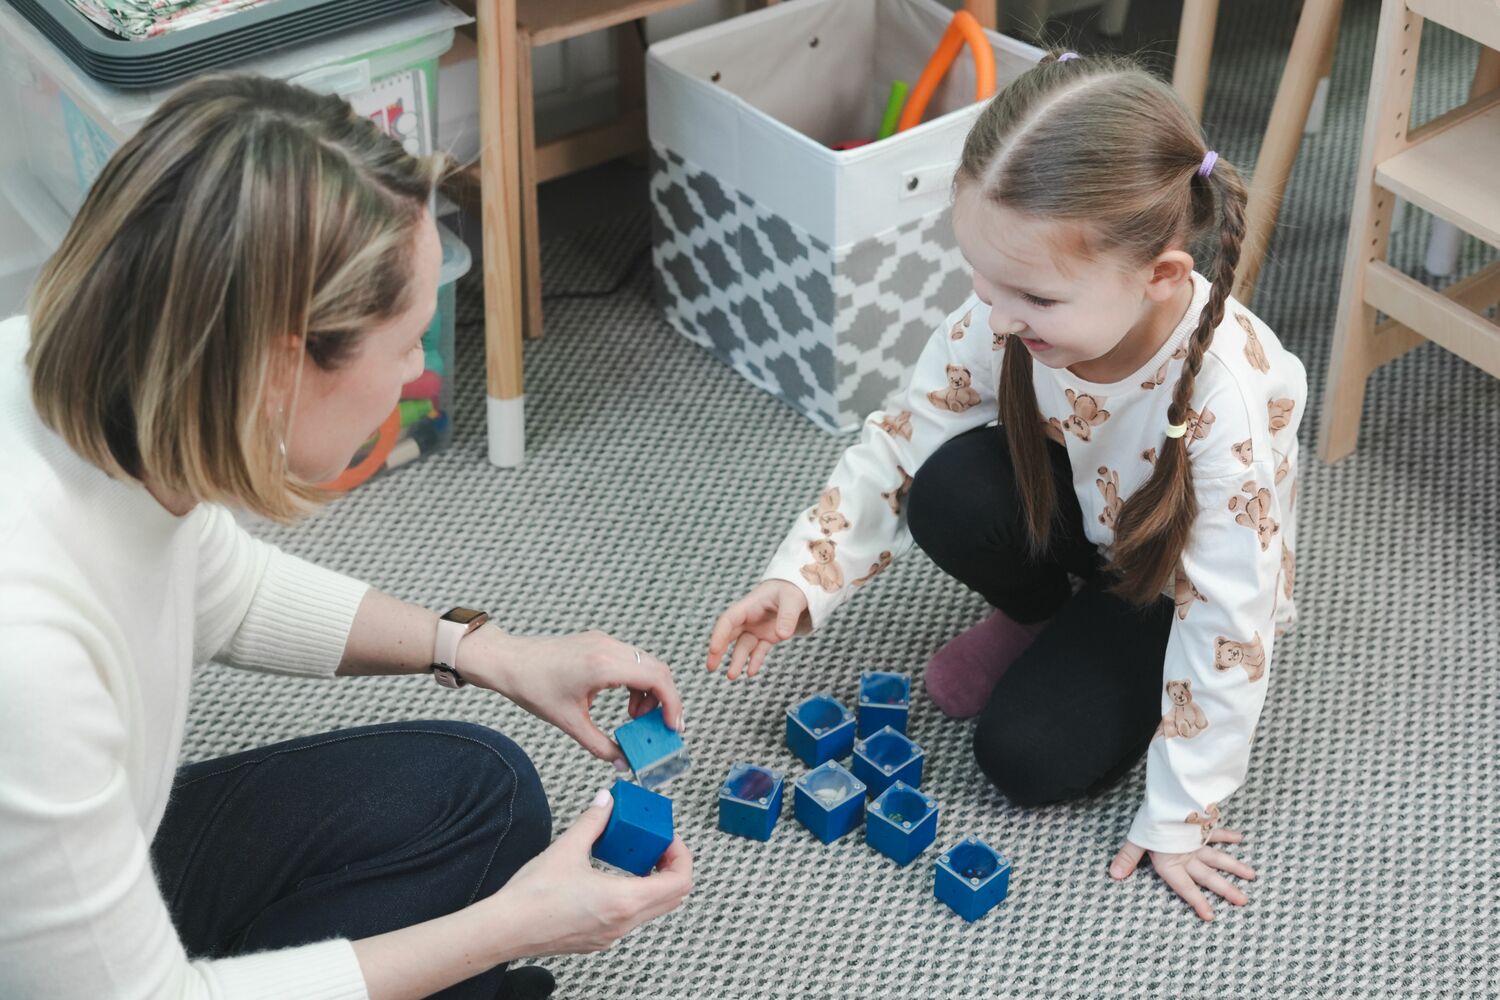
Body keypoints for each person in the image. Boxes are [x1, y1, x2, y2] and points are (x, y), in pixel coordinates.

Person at [0, 75, 691, 1000]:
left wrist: (485, 651)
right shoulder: (27, 658)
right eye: (405, 343)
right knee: (483, 943)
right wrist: (513, 928)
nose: (418, 376)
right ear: (282, 362)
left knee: (481, 791)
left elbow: (225, 589)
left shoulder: (62, 370)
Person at [707, 51, 1306, 922]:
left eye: (1031, 296)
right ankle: (1039, 616)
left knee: (1024, 756)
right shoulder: (1014, 316)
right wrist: (804, 573)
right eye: (980, 279)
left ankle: (1087, 635)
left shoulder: (1229, 405)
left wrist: (1183, 814)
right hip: (1082, 512)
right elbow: (902, 437)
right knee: (946, 486)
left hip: (1169, 583)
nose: (995, 315)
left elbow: (1227, 629)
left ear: (1161, 277)